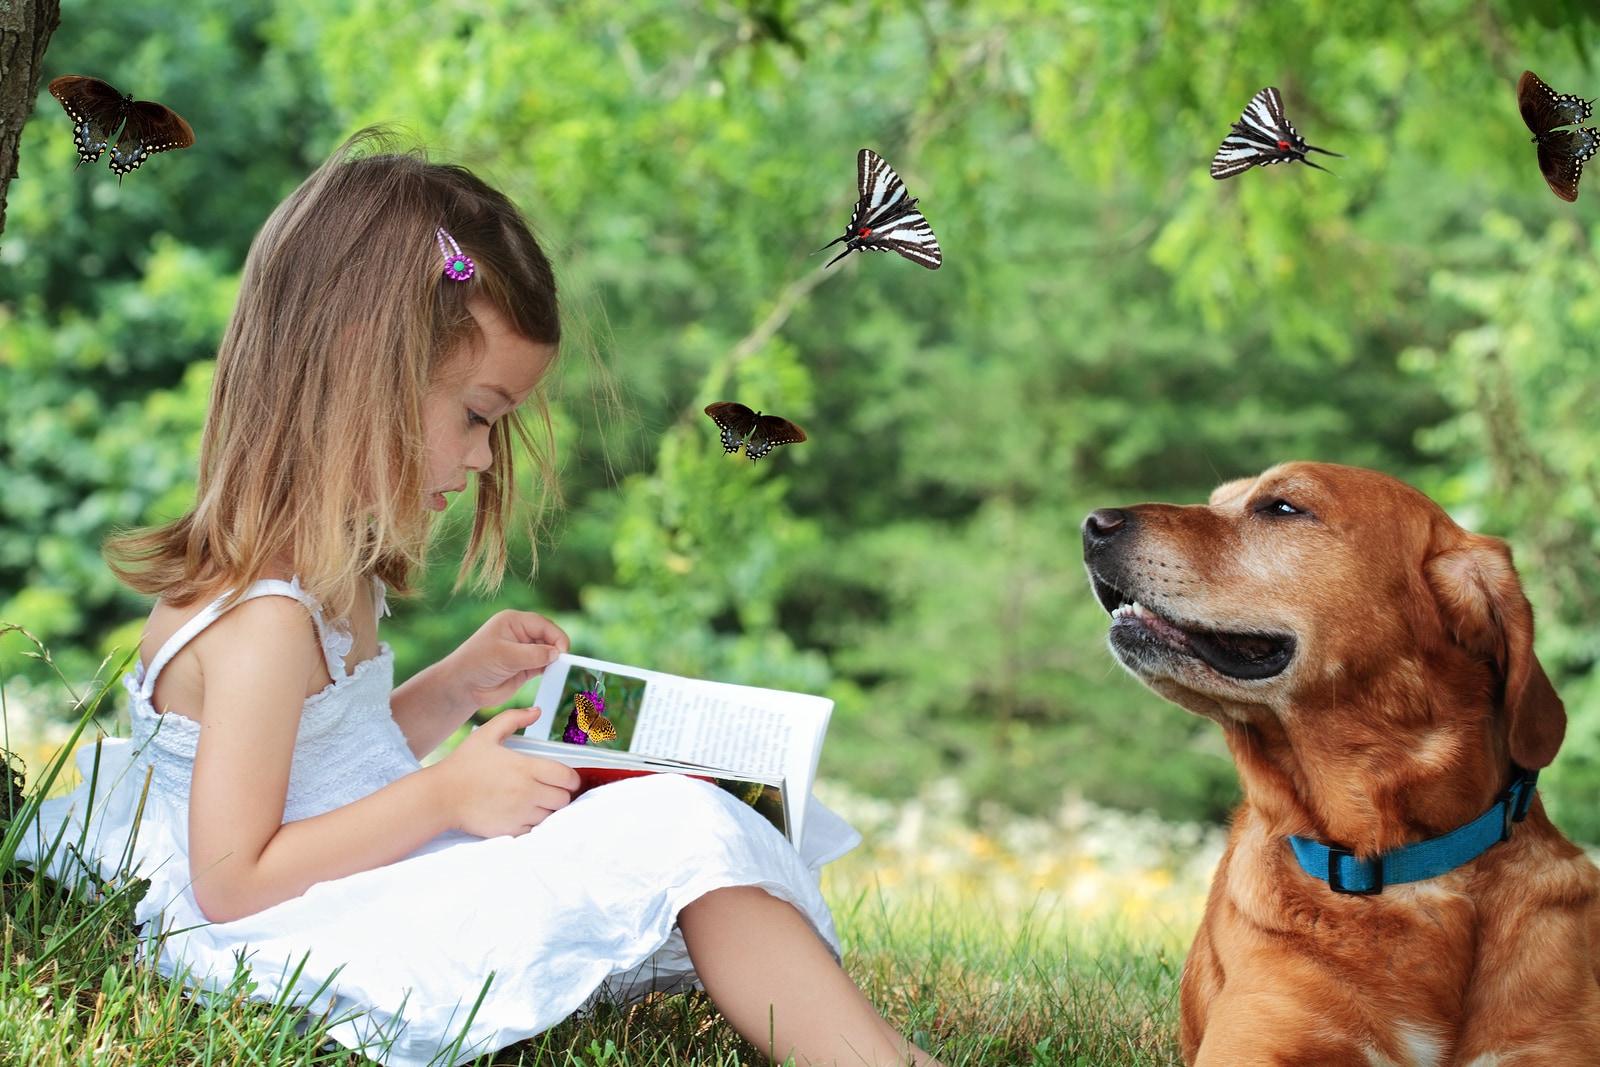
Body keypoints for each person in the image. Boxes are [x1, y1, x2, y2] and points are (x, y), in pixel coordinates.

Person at [14, 131, 942, 1067]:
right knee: (679, 824)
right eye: (477, 414)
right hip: (288, 937)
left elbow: (327, 770)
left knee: (680, 806)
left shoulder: (328, 582)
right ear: (358, 370)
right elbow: (234, 879)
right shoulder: (263, 622)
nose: (486, 456)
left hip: (344, 888)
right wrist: (449, 796)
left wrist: (455, 688)